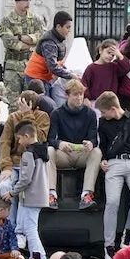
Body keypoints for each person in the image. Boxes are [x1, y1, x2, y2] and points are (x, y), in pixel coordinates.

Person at [95, 91, 130, 259]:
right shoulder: (103, 123)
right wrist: (103, 159)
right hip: (113, 164)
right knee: (112, 202)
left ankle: (129, 232)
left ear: (112, 109)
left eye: (103, 112)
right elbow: (103, 146)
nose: (102, 115)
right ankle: (109, 245)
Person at [47, 79, 101, 210]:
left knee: (97, 152)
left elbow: (93, 139)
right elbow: (50, 138)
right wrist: (59, 143)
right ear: (67, 95)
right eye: (75, 94)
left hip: (83, 153)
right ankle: (51, 194)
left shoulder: (90, 114)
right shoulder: (56, 113)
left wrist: (90, 143)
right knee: (49, 151)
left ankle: (86, 195)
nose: (79, 98)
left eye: (81, 94)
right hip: (64, 154)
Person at [0, 0, 44, 107]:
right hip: (13, 67)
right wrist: (30, 42)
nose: (28, 4)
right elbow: (8, 42)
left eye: (29, 0)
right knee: (13, 105)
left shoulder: (35, 19)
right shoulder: (6, 21)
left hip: (31, 65)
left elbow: (41, 37)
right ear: (17, 2)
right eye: (25, 1)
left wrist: (19, 37)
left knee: (32, 102)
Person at [10, 121, 48, 259]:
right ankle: (40, 255)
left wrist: (12, 192)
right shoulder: (43, 151)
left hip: (31, 197)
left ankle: (38, 258)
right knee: (31, 227)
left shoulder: (28, 154)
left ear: (26, 136)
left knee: (30, 229)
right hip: (40, 195)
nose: (19, 142)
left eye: (19, 138)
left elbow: (25, 178)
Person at [23, 11, 77, 107]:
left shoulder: (58, 38)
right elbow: (53, 66)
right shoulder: (49, 42)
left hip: (45, 78)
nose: (69, 30)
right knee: (44, 106)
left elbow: (58, 63)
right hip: (36, 78)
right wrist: (70, 75)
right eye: (67, 27)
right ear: (58, 26)